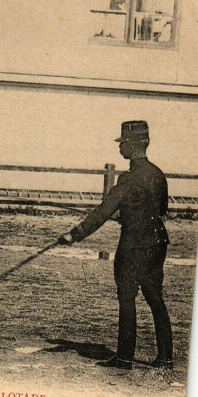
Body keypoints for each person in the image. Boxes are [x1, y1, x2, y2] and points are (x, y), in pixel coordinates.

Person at [58, 120, 172, 370]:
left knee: (127, 298)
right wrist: (131, 213)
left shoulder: (128, 179)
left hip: (133, 247)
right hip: (157, 244)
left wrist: (73, 235)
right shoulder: (158, 174)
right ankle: (166, 359)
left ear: (132, 146)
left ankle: (124, 359)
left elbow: (102, 212)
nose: (120, 150)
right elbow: (160, 209)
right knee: (155, 298)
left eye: (122, 145)